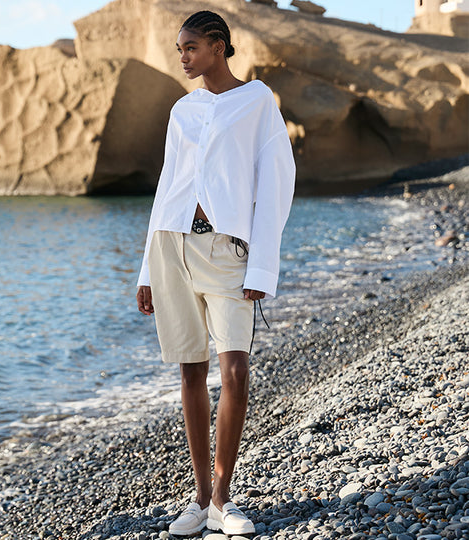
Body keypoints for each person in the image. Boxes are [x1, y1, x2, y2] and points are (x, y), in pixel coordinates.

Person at [136, 10, 295, 537]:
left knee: (235, 372)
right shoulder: (182, 110)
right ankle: (201, 498)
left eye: (191, 47)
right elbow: (168, 186)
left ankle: (224, 501)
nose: (183, 57)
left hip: (228, 252)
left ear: (219, 46)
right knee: (190, 371)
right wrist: (146, 270)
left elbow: (276, 182)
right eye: (179, 49)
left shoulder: (257, 101)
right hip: (172, 246)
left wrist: (263, 265)